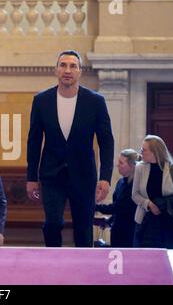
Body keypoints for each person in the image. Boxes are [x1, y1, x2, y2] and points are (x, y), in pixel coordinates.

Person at [26, 50, 114, 247]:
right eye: (63, 65)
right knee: (53, 223)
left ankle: (84, 273)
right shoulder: (41, 100)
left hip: (83, 174)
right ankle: (52, 267)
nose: (67, 70)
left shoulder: (95, 101)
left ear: (80, 72)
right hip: (51, 175)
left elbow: (106, 141)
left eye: (73, 66)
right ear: (56, 70)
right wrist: (31, 177)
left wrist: (106, 177)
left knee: (83, 228)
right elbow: (33, 140)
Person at [132, 135, 173, 248]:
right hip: (144, 221)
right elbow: (135, 194)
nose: (140, 152)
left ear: (155, 152)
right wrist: (149, 204)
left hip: (168, 222)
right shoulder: (140, 168)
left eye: (144, 150)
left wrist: (162, 204)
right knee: (144, 258)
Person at [95, 149, 140, 247]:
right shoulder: (120, 182)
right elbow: (118, 209)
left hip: (130, 231)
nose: (117, 165)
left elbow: (119, 207)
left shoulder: (135, 185)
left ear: (131, 166)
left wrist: (96, 207)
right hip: (117, 230)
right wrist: (109, 221)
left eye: (121, 163)